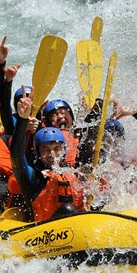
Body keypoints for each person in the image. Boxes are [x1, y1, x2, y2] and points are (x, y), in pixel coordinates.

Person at [9, 93, 85, 222]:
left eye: (56, 149)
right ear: (38, 153)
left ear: (63, 151)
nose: (51, 154)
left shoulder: (73, 173)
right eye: (45, 149)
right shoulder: (32, 176)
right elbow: (16, 156)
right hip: (42, 232)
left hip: (74, 230)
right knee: (67, 210)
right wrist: (22, 119)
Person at [41, 99, 82, 167]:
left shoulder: (82, 134)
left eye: (62, 112)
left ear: (71, 116)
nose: (60, 116)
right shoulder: (44, 139)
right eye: (54, 115)